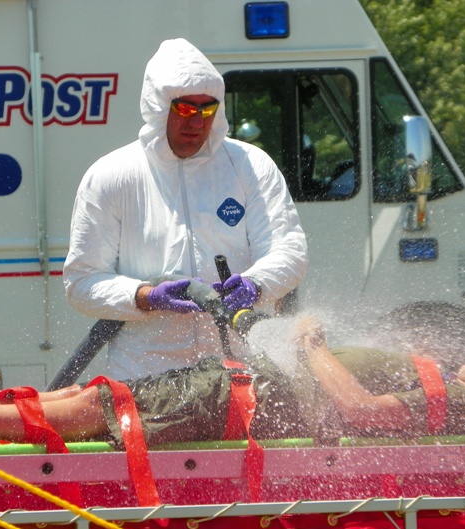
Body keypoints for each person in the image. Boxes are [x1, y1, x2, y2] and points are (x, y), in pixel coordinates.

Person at [0, 314, 465, 448]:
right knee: (87, 397)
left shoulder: (455, 402)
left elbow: (363, 411)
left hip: (246, 401)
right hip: (241, 386)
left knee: (100, 405)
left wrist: (313, 344)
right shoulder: (451, 392)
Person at [63, 38, 308, 381]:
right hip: (145, 377)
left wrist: (256, 284)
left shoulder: (250, 166)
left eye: (207, 109)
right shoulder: (111, 176)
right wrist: (145, 297)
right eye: (185, 109)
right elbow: (82, 283)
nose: (197, 122)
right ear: (158, 106)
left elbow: (290, 250)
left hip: (239, 373)